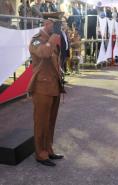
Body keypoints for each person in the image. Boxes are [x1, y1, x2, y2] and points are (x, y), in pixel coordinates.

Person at [28, 12, 65, 167]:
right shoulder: (36, 40)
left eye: (60, 25)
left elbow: (55, 61)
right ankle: (41, 154)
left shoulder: (54, 38)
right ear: (47, 23)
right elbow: (44, 53)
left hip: (54, 86)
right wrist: (51, 41)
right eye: (56, 25)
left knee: (51, 122)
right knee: (41, 122)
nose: (59, 28)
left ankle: (48, 149)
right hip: (42, 87)